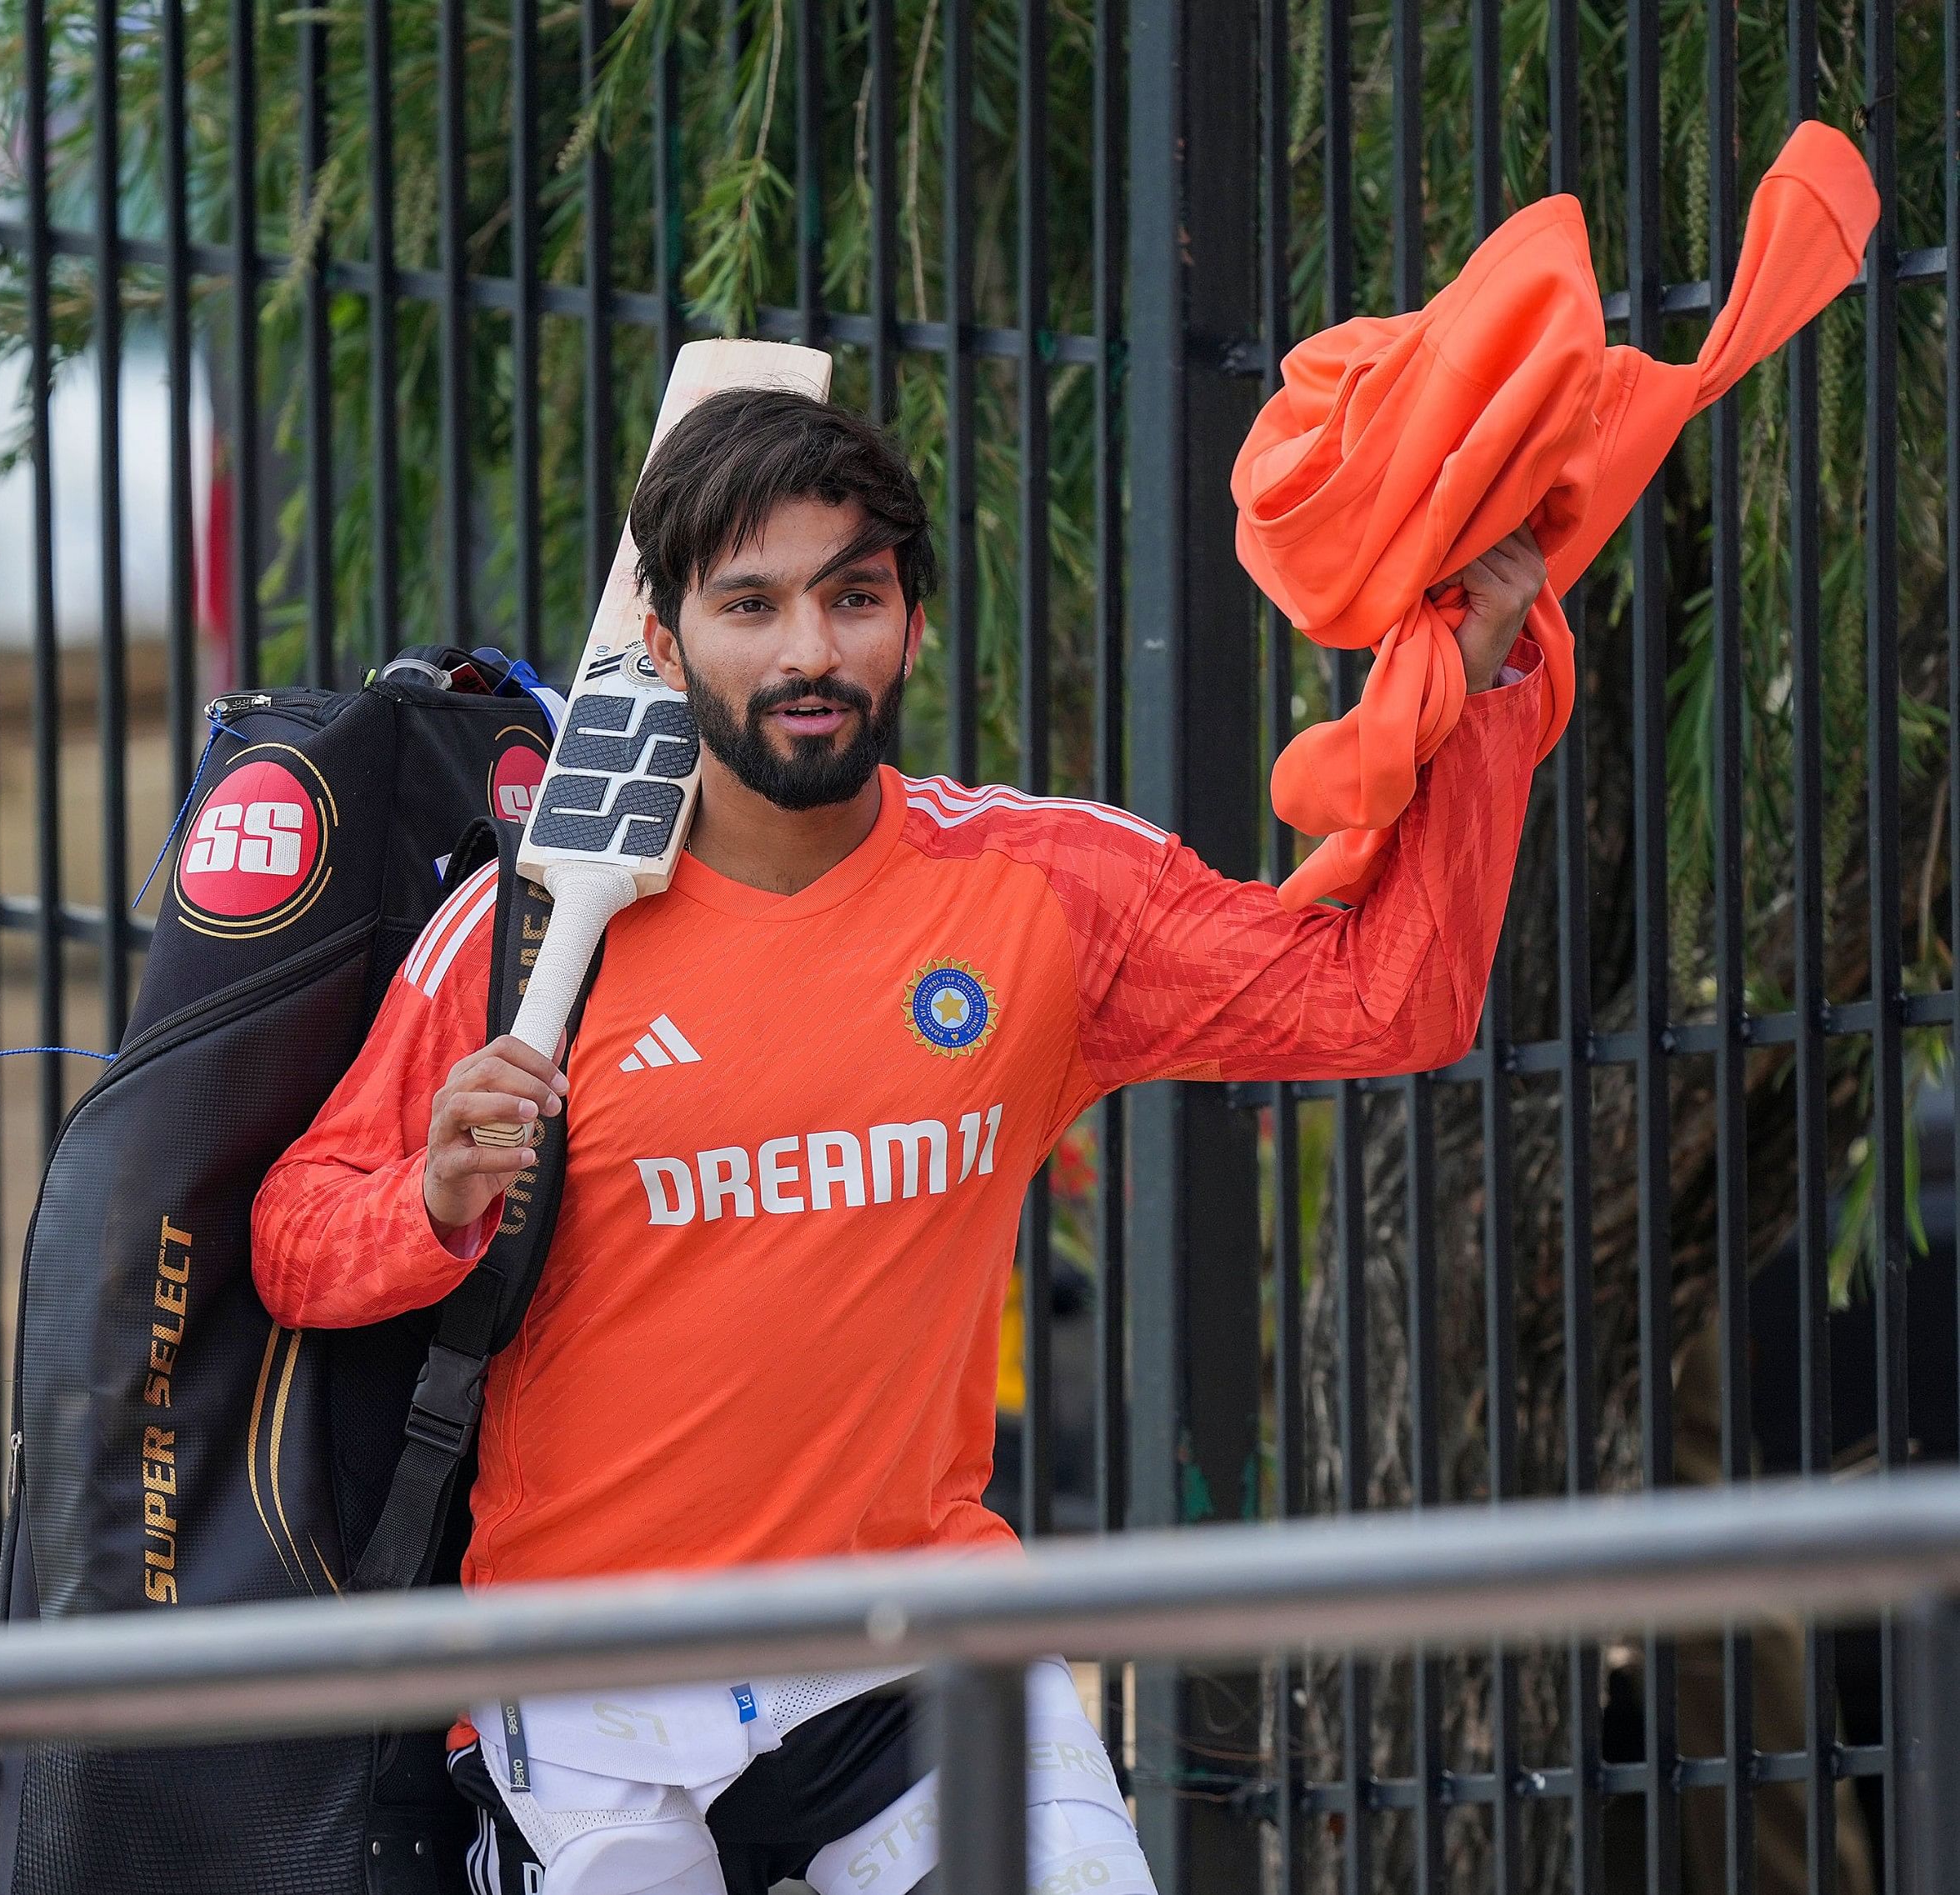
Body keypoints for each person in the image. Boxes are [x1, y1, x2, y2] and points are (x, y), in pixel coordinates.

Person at [255, 388, 1553, 1895]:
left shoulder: (1041, 893)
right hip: (584, 1668)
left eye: (849, 595)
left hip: (910, 1638)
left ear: (911, 624)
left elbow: (1388, 1000)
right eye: (750, 603)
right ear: (661, 644)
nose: (808, 651)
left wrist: (1490, 669)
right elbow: (293, 1235)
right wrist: (432, 1193)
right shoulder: (526, 930)